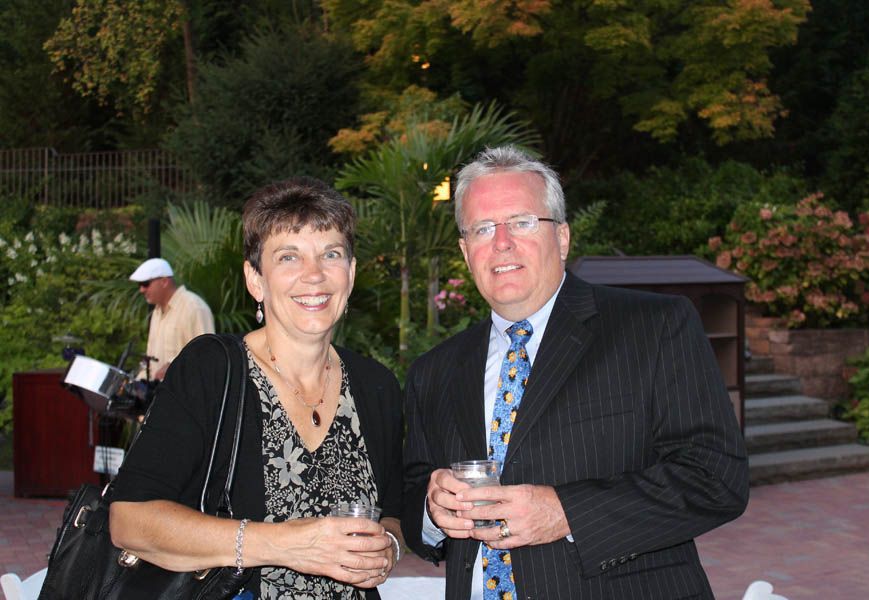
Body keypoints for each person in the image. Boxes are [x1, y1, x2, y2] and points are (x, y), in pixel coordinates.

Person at [401, 146, 749, 599]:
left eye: (522, 222)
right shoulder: (434, 371)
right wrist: (432, 510)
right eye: (483, 228)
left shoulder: (654, 327)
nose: (502, 242)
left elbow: (716, 477)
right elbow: (413, 495)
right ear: (467, 253)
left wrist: (566, 513)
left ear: (562, 237)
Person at [110, 177, 405, 599]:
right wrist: (286, 544)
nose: (314, 275)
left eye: (331, 254)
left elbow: (392, 513)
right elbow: (129, 521)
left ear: (351, 273)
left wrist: (388, 547)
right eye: (289, 257)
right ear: (255, 279)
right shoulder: (212, 371)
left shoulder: (376, 387)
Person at [129, 257, 215, 380]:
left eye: (145, 284)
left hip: (187, 390)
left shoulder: (194, 307)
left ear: (164, 281)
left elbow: (207, 355)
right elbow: (151, 362)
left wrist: (174, 367)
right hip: (160, 390)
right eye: (140, 285)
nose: (141, 289)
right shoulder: (157, 312)